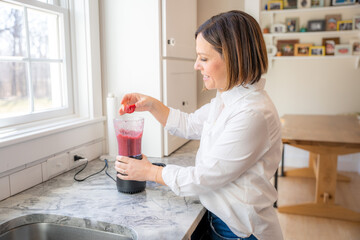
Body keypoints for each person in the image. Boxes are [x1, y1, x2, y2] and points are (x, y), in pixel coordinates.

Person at [115, 10, 283, 240]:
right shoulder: (229, 97)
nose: (196, 66)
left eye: (204, 58)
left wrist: (150, 172)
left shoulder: (252, 114)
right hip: (224, 223)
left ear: (234, 58)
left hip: (241, 232)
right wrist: (151, 105)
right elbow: (190, 124)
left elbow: (203, 178)